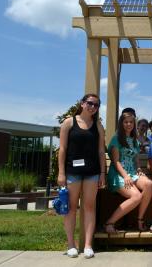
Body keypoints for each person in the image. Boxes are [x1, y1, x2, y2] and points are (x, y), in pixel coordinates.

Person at [58, 93, 106, 259]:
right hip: (72, 172)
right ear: (82, 103)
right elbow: (62, 149)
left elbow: (101, 151)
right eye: (90, 103)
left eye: (96, 105)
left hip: (92, 173)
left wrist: (102, 173)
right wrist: (61, 172)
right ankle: (71, 244)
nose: (93, 107)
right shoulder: (68, 122)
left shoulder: (98, 126)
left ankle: (87, 245)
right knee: (71, 208)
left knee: (89, 207)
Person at [104, 112, 152, 233]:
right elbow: (116, 162)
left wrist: (139, 170)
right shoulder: (116, 139)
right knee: (136, 197)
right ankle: (109, 223)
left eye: (131, 122)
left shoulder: (134, 140)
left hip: (133, 173)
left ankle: (140, 219)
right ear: (121, 124)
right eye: (126, 122)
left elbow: (135, 159)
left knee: (149, 184)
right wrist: (125, 176)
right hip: (118, 175)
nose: (128, 124)